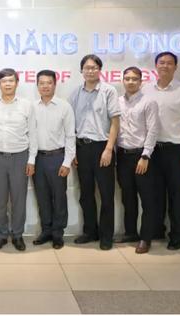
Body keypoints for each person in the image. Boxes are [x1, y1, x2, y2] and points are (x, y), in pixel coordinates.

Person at [142, 51, 180, 251]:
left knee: (175, 193)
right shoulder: (146, 89)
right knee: (154, 193)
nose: (165, 66)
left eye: (169, 63)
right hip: (152, 150)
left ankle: (177, 235)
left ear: (176, 67)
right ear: (156, 66)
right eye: (161, 62)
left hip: (175, 150)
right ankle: (157, 229)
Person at [68, 54, 121, 250]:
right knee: (86, 194)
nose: (90, 71)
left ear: (100, 70)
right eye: (87, 68)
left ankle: (106, 236)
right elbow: (70, 125)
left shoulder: (109, 91)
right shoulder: (75, 93)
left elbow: (115, 123)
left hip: (102, 147)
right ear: (81, 70)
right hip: (82, 148)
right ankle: (90, 231)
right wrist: (73, 151)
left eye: (94, 67)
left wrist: (109, 149)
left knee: (106, 194)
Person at [0, 68, 37, 252]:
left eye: (11, 80)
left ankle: (17, 235)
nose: (7, 84)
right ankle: (0, 235)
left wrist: (31, 160)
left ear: (17, 83)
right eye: (4, 81)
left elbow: (33, 134)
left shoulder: (26, 105)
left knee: (19, 199)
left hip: (20, 157)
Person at [116, 66, 160, 254]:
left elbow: (153, 130)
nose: (130, 82)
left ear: (141, 81)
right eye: (127, 78)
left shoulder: (149, 102)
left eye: (134, 79)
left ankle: (146, 238)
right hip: (122, 155)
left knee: (147, 199)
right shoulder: (118, 102)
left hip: (141, 156)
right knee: (128, 197)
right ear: (123, 81)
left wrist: (145, 155)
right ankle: (131, 232)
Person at [32, 70, 76, 250]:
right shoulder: (32, 107)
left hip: (58, 157)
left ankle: (58, 233)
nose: (45, 86)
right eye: (41, 83)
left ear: (55, 85)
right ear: (37, 86)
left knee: (59, 197)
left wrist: (67, 162)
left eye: (48, 83)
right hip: (38, 158)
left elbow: (70, 136)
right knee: (42, 197)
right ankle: (46, 230)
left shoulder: (64, 107)